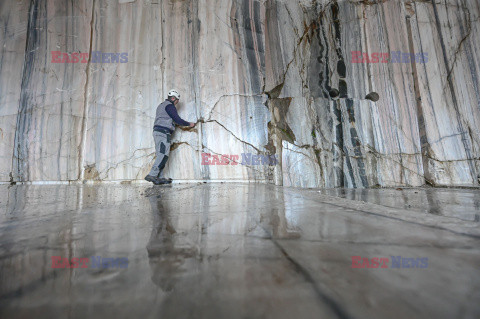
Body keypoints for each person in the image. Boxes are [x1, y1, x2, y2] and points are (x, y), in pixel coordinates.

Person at [145, 89, 195, 185]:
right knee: (163, 155)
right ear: (173, 98)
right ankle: (152, 174)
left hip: (158, 132)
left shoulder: (161, 105)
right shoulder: (170, 106)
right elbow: (177, 119)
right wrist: (189, 124)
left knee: (161, 154)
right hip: (163, 132)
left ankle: (159, 177)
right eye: (177, 101)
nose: (177, 103)